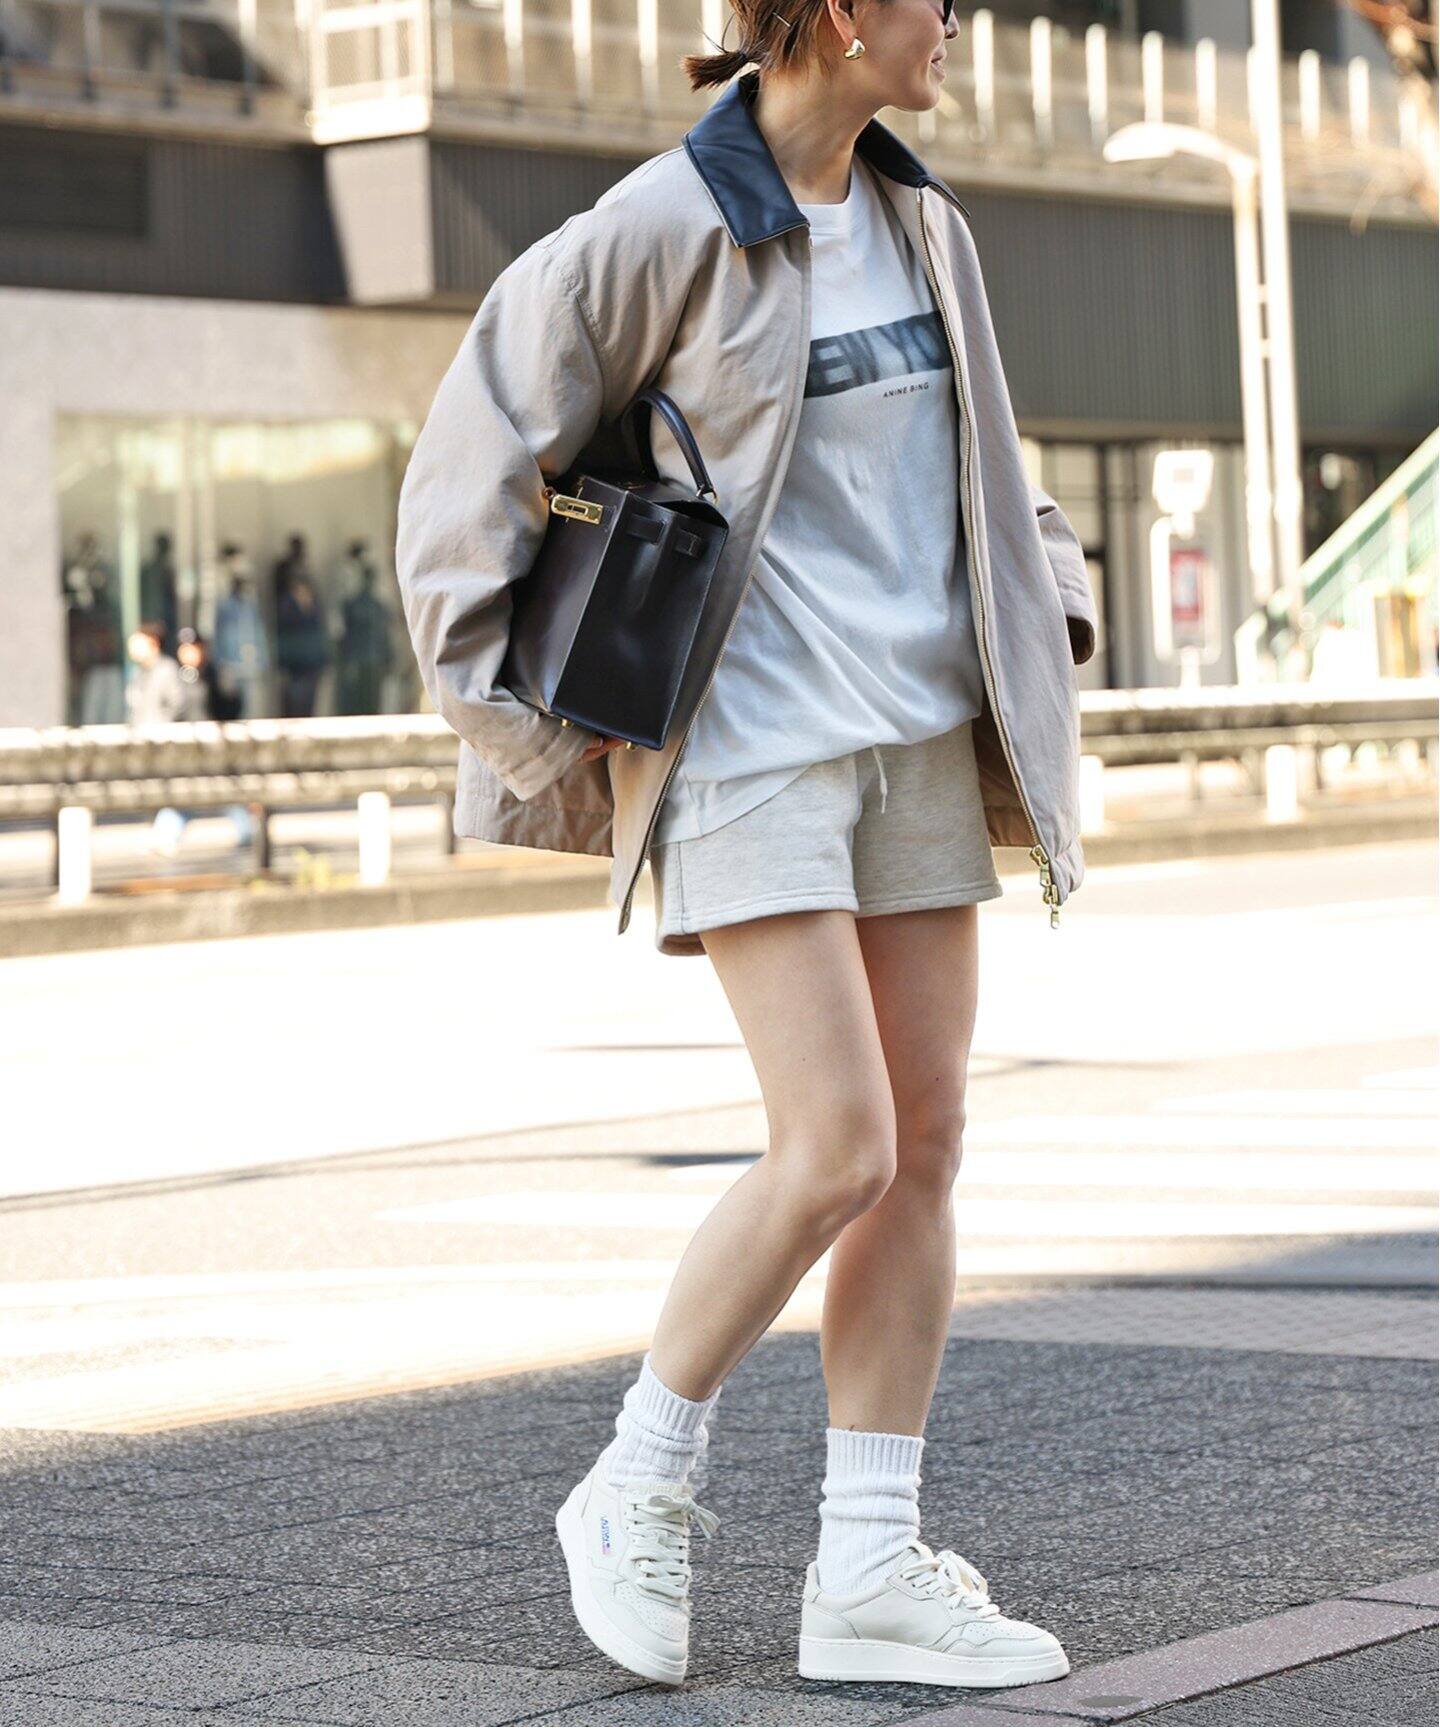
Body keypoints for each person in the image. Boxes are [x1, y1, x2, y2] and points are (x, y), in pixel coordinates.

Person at [396, 0, 1098, 1695]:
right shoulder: (664, 226)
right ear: (841, 14)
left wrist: (1052, 597)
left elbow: (986, 462)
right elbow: (465, 475)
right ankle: (636, 1471)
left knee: (922, 1148)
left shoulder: (925, 220)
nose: (955, 23)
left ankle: (868, 1568)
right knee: (836, 1143)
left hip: (914, 734)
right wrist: (536, 733)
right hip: (749, 745)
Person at [212, 549, 270, 718]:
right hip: (231, 664)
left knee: (252, 708)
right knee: (233, 708)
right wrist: (221, 663)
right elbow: (218, 636)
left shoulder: (250, 607)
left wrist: (263, 659)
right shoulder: (224, 607)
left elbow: (258, 633)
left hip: (251, 663)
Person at [337, 543, 395, 715]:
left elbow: (384, 634)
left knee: (371, 703)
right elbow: (346, 633)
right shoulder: (355, 604)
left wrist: (389, 656)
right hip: (361, 658)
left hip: (372, 658)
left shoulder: (377, 606)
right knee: (361, 703)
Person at [276, 575, 332, 717]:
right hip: (295, 666)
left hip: (313, 665)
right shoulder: (287, 611)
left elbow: (320, 636)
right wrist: (283, 663)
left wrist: (324, 659)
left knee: (309, 706)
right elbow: (283, 638)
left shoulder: (315, 610)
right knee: (294, 706)